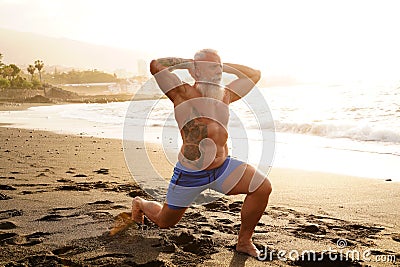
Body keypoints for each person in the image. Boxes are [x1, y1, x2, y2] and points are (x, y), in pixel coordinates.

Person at [132, 49, 272, 257]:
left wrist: (222, 65)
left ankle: (244, 241)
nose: (218, 72)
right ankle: (140, 204)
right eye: (213, 67)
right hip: (191, 173)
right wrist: (189, 63)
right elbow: (155, 65)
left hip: (222, 168)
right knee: (164, 222)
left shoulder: (225, 95)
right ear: (195, 72)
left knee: (261, 187)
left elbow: (254, 74)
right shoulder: (182, 93)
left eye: (220, 68)